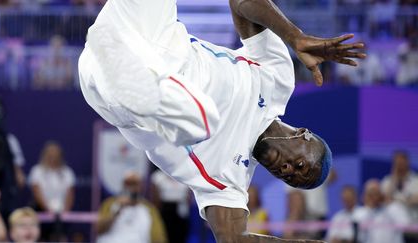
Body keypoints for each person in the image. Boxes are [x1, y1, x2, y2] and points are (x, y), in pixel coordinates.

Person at [78, 0, 365, 242]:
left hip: (131, 96)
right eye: (300, 165)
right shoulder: (278, 80)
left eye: (290, 177)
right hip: (154, 31)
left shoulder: (230, 184)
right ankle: (114, 53)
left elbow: (234, 239)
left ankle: (133, 82)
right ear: (304, 135)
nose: (287, 170)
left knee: (200, 122)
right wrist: (294, 36)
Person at [96, 171, 168, 243]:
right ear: (123, 185)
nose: (132, 187)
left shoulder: (149, 209)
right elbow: (98, 229)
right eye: (128, 184)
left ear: (141, 186)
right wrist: (118, 209)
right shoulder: (110, 204)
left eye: (135, 184)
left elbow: (158, 237)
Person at [354, 179, 411, 243]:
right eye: (369, 194)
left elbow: (406, 226)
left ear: (381, 194)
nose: (373, 197)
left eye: (375, 193)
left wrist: (386, 202)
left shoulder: (394, 208)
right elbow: (361, 238)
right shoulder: (363, 213)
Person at [151, 169, 190, 243]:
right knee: (166, 235)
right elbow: (155, 199)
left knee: (181, 235)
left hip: (181, 208)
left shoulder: (185, 175)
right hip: (165, 209)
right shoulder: (158, 177)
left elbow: (188, 197)